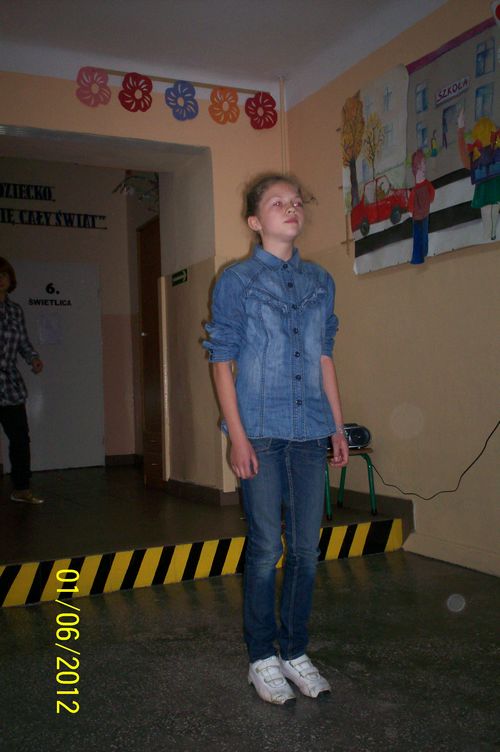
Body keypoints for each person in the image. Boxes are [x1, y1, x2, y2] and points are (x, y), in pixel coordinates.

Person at [203, 174, 349, 704]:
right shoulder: (237, 281)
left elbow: (324, 357)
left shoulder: (321, 281)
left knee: (307, 549)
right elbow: (222, 362)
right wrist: (237, 437)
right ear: (254, 221)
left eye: (296, 202)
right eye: (276, 202)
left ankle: (294, 651)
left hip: (310, 431)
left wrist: (337, 425)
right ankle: (262, 657)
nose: (291, 208)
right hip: (260, 432)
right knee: (266, 548)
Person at [0, 257, 44, 503]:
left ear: (10, 279)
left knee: (20, 438)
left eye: (4, 275)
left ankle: (21, 488)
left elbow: (23, 342)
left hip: (9, 385)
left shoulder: (15, 310)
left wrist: (33, 358)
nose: (0, 279)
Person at [408, 149, 435, 265]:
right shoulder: (416, 189)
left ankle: (423, 253)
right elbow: (412, 199)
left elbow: (432, 195)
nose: (425, 165)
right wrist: (411, 210)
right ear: (418, 165)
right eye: (424, 162)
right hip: (417, 216)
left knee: (423, 236)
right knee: (418, 237)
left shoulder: (426, 184)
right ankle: (418, 257)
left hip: (424, 215)